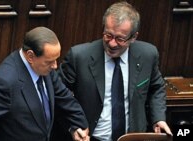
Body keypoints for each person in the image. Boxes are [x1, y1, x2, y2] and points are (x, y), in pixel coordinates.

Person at [53, 1, 173, 141]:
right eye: (108, 35)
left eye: (120, 39)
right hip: (91, 137)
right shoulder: (79, 57)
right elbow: (57, 95)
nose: (112, 43)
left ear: (133, 37)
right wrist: (73, 126)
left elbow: (156, 88)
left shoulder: (148, 55)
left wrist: (158, 118)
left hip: (133, 137)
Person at [0, 27, 90, 141]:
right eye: (49, 61)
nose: (55, 66)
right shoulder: (6, 81)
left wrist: (78, 126)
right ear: (30, 56)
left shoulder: (45, 68)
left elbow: (65, 98)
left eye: (56, 59)